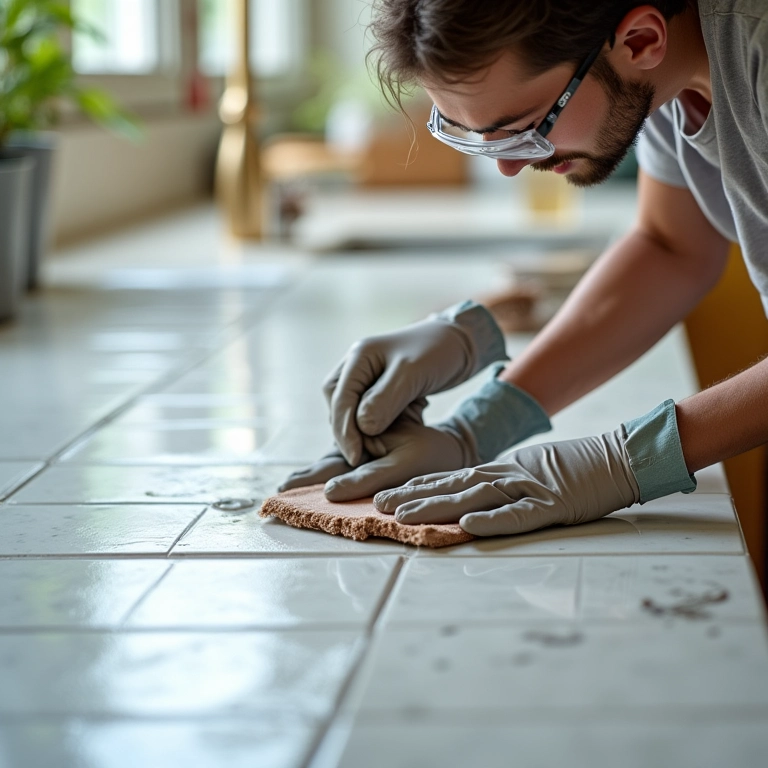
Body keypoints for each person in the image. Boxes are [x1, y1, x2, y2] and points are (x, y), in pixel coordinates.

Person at [280, 0, 768, 538]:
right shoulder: (653, 75)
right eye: (474, 134)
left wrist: (629, 461)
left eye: (524, 126)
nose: (510, 165)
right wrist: (477, 428)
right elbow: (672, 246)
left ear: (640, 40)